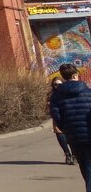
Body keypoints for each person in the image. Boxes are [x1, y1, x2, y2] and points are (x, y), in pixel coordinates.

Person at [50, 63, 91, 191]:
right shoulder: (88, 92)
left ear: (63, 77)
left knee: (85, 167)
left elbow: (56, 117)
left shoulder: (56, 96)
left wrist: (67, 129)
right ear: (75, 75)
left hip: (74, 137)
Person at [49, 76, 75, 164]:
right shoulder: (51, 94)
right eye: (55, 84)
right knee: (59, 133)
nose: (57, 86)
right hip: (57, 115)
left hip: (69, 115)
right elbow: (48, 106)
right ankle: (67, 154)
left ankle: (74, 154)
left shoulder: (68, 92)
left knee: (71, 136)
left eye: (59, 84)